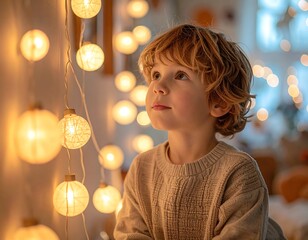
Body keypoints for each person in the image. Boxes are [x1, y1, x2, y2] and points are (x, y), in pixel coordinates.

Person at [114, 23, 285, 239]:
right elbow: (129, 234)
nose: (158, 86)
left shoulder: (239, 173)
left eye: (180, 76)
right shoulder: (141, 168)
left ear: (219, 102)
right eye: (156, 74)